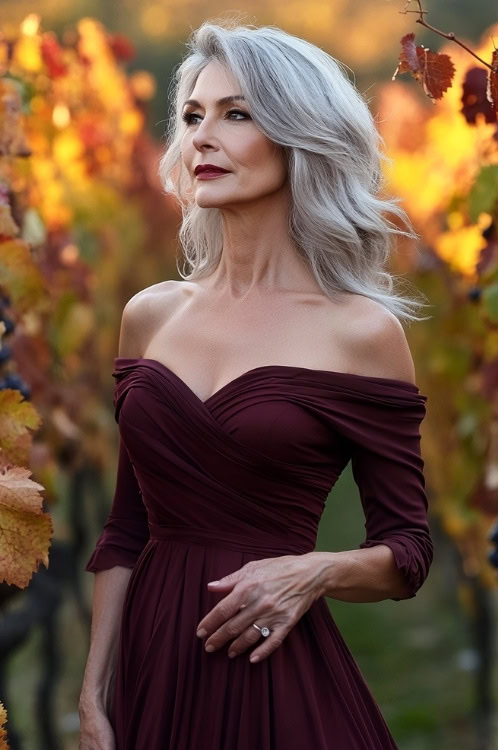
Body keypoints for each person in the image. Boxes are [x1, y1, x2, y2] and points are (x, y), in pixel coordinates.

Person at [79, 17, 433, 750]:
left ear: (298, 135)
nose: (202, 136)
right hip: (153, 671)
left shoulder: (361, 332)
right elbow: (125, 530)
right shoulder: (148, 316)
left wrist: (315, 572)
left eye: (237, 114)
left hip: (274, 680)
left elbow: (406, 550)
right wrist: (92, 697)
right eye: (192, 116)